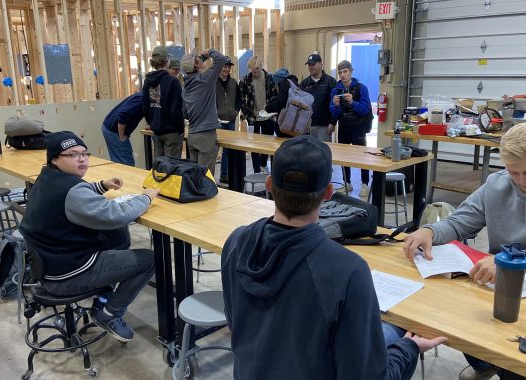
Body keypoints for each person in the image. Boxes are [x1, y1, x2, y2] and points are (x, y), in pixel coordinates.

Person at [221, 134, 447, 380]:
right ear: (329, 193)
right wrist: (408, 349)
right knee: (396, 331)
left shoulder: (236, 242)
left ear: (268, 185)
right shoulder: (347, 271)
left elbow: (237, 325)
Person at [404, 122, 526, 380]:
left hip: (515, 284)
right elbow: (460, 222)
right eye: (514, 172)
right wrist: (429, 231)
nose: (521, 181)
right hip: (497, 287)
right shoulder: (497, 185)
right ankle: (488, 364)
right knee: (453, 311)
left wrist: (507, 262)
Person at [19, 131, 160, 343]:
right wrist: (144, 198)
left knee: (117, 234)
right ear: (55, 158)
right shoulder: (71, 190)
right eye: (73, 155)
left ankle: (103, 298)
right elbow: (116, 215)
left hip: (51, 264)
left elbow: (76, 195)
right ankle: (111, 313)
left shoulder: (47, 177)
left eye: (85, 153)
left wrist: (101, 186)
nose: (82, 159)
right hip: (68, 275)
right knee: (151, 260)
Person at [329, 59, 373, 197]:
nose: (342, 75)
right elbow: (333, 113)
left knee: (362, 156)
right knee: (343, 156)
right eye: (340, 72)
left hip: (358, 127)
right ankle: (346, 182)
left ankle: (365, 183)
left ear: (351, 72)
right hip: (343, 126)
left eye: (345, 71)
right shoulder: (336, 90)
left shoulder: (361, 88)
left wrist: (353, 102)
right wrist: (336, 105)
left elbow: (365, 109)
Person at [181, 48, 226, 175]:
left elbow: (185, 113)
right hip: (206, 136)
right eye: (199, 59)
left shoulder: (185, 87)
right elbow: (221, 59)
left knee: (195, 176)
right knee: (205, 178)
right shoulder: (205, 79)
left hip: (192, 135)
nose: (201, 59)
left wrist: (201, 59)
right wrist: (210, 52)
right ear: (196, 65)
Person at [143, 46, 184, 159]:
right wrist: (180, 129)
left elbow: (145, 107)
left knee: (159, 169)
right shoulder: (172, 81)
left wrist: (153, 123)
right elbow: (175, 110)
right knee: (171, 168)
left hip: (157, 131)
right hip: (172, 132)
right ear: (166, 61)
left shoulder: (147, 81)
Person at [239, 56, 278, 174]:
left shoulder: (269, 78)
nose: (254, 71)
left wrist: (272, 111)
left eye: (256, 68)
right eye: (252, 69)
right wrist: (246, 113)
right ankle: (257, 170)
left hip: (268, 115)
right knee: (254, 145)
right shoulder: (245, 80)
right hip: (253, 117)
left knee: (267, 143)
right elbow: (241, 98)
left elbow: (274, 96)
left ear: (261, 67)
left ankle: (263, 164)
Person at [299, 53, 337, 143]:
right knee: (307, 153)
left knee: (323, 153)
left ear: (321, 64)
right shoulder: (304, 83)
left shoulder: (330, 82)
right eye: (309, 65)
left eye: (313, 64)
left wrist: (332, 122)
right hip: (307, 127)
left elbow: (336, 105)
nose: (311, 67)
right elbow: (299, 104)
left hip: (324, 127)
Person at [215, 56, 241, 184]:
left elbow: (239, 99)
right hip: (217, 121)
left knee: (228, 150)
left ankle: (224, 175)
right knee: (214, 149)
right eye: (224, 66)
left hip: (230, 120)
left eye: (228, 67)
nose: (226, 69)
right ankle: (210, 176)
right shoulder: (213, 82)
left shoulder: (233, 82)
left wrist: (236, 111)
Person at [101, 92, 143, 166]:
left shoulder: (143, 95)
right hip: (113, 130)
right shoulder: (141, 99)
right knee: (126, 163)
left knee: (120, 162)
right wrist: (121, 136)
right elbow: (123, 115)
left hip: (110, 127)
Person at [264, 68, 299, 138]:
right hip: (294, 124)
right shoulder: (294, 84)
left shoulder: (284, 84)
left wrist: (267, 108)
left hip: (286, 125)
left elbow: (280, 103)